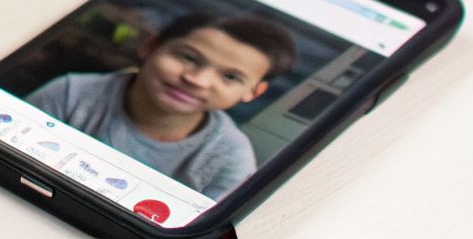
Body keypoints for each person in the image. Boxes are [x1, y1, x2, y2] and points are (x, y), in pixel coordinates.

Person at [24, 12, 297, 200]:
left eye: (230, 77)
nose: (197, 80)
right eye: (189, 58)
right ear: (150, 45)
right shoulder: (71, 93)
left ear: (253, 92)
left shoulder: (231, 159)